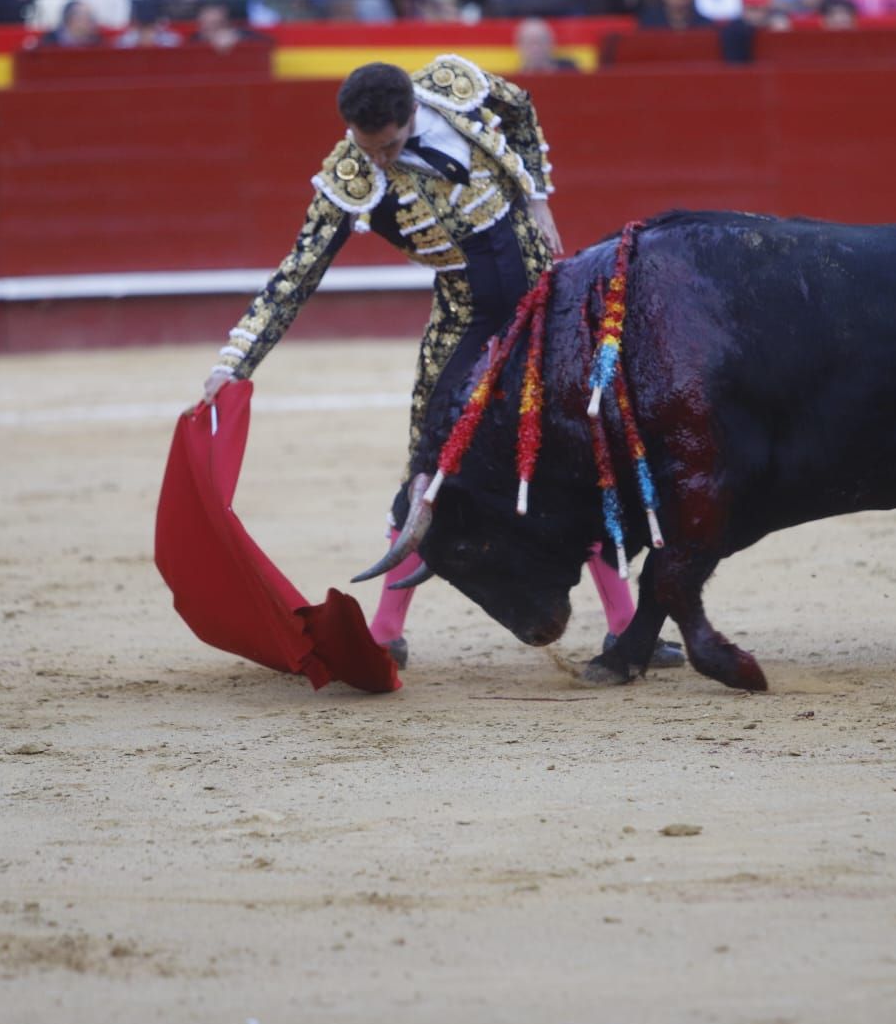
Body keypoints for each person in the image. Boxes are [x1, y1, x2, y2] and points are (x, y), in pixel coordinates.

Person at [198, 59, 685, 671]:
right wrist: (235, 362)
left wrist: (536, 196)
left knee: (583, 461)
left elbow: (522, 108)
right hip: (468, 325)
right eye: (365, 146)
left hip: (551, 313)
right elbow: (296, 276)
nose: (377, 159)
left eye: (390, 145)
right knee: (430, 474)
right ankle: (384, 632)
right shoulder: (351, 177)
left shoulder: (455, 88)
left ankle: (623, 628)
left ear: (411, 115)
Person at [514, 17, 580, 72]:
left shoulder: (569, 70)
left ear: (551, 43)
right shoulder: (513, 82)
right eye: (530, 43)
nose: (535, 48)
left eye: (540, 42)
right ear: (519, 46)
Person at [38, 0, 104, 45]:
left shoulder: (97, 41)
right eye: (86, 17)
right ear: (70, 19)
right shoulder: (50, 40)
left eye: (91, 17)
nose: (91, 22)